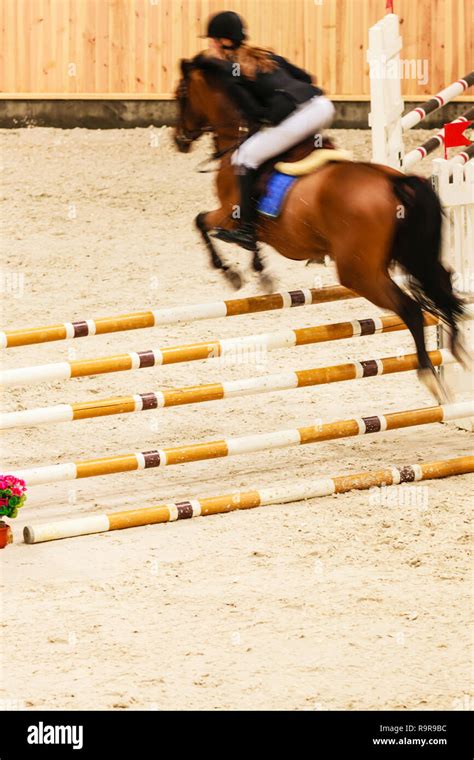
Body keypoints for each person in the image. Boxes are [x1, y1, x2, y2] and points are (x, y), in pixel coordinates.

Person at [198, 11, 335, 251]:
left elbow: (253, 114)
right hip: (323, 106)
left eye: (212, 40)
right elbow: (305, 77)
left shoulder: (233, 71)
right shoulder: (265, 54)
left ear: (224, 42)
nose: (211, 46)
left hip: (301, 116)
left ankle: (247, 230)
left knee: (245, 156)